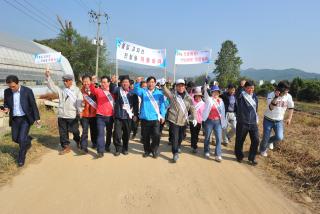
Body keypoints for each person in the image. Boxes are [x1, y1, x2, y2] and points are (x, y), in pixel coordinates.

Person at [2, 75, 40, 167]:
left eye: (13, 86)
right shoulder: (7, 92)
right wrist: (6, 108)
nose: (12, 88)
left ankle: (21, 158)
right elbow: (6, 103)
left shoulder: (27, 91)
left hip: (25, 118)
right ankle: (28, 140)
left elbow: (33, 105)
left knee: (21, 139)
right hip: (14, 118)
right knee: (15, 138)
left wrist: (37, 118)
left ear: (18, 83)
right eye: (10, 86)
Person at [45, 68, 83, 155]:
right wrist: (48, 77)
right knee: (63, 132)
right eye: (64, 81)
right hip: (62, 115)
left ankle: (78, 141)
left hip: (72, 115)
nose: (65, 82)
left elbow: (79, 101)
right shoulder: (62, 89)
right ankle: (66, 147)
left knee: (75, 131)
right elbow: (53, 87)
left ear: (71, 81)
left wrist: (80, 111)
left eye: (66, 81)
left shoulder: (76, 90)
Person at [162, 79, 197, 163]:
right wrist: (163, 85)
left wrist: (194, 117)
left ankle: (178, 146)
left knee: (181, 137)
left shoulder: (189, 97)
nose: (180, 87)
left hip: (184, 120)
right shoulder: (173, 95)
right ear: (176, 87)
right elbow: (166, 92)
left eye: (182, 85)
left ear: (184, 86)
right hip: (174, 120)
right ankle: (175, 152)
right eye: (178, 86)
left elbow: (192, 108)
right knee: (175, 137)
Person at [134, 76, 166, 158]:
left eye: (153, 82)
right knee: (146, 136)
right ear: (147, 83)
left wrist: (163, 115)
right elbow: (136, 91)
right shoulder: (143, 91)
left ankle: (154, 150)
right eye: (149, 82)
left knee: (156, 135)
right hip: (145, 118)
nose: (151, 83)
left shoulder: (159, 93)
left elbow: (162, 105)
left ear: (155, 83)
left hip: (155, 118)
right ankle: (147, 151)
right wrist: (137, 82)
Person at [259, 81, 294, 157]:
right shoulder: (271, 95)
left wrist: (289, 118)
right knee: (265, 137)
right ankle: (262, 150)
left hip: (279, 121)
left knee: (279, 137)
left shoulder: (288, 96)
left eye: (288, 90)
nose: (287, 92)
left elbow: (291, 108)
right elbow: (271, 108)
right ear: (281, 89)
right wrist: (276, 97)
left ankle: (267, 142)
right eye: (286, 90)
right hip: (268, 119)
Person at [112, 75, 139, 156]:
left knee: (127, 134)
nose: (125, 83)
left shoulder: (133, 93)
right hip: (118, 116)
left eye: (126, 82)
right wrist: (114, 82)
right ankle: (118, 149)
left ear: (129, 83)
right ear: (121, 83)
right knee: (117, 133)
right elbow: (113, 89)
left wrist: (136, 115)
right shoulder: (118, 91)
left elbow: (136, 105)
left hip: (128, 117)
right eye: (123, 82)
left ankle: (125, 148)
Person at [88, 76, 115, 157]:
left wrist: (114, 82)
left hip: (110, 116)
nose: (103, 84)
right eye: (102, 82)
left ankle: (107, 146)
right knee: (100, 133)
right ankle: (100, 151)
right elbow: (92, 89)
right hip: (100, 116)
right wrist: (92, 81)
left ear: (108, 83)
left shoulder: (113, 92)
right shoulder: (98, 91)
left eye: (105, 82)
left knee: (109, 133)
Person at [234, 80, 259, 165]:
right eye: (248, 88)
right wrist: (241, 86)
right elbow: (236, 93)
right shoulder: (241, 95)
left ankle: (251, 158)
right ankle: (239, 156)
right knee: (240, 140)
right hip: (242, 122)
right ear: (245, 88)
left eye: (252, 88)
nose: (251, 90)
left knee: (256, 140)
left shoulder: (255, 97)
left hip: (253, 123)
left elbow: (256, 109)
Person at [202, 84, 227, 162]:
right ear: (211, 93)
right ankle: (206, 151)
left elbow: (223, 113)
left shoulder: (221, 102)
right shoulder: (209, 99)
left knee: (219, 138)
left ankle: (218, 154)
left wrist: (224, 123)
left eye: (217, 92)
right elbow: (205, 94)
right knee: (207, 137)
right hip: (209, 121)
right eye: (214, 92)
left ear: (219, 93)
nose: (215, 94)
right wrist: (206, 86)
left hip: (218, 122)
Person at [79, 75, 97, 153]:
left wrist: (93, 84)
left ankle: (95, 143)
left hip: (94, 115)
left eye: (87, 81)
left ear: (90, 82)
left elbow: (95, 94)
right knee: (85, 131)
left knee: (94, 131)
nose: (86, 83)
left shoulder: (94, 90)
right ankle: (84, 147)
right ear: (82, 82)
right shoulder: (80, 91)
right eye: (84, 81)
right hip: (84, 115)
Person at [189, 86, 205, 153]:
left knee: (196, 134)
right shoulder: (192, 102)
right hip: (192, 120)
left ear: (201, 96)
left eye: (199, 96)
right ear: (194, 96)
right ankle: (194, 146)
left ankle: (193, 144)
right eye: (196, 96)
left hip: (199, 121)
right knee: (193, 133)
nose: (198, 97)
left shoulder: (203, 104)